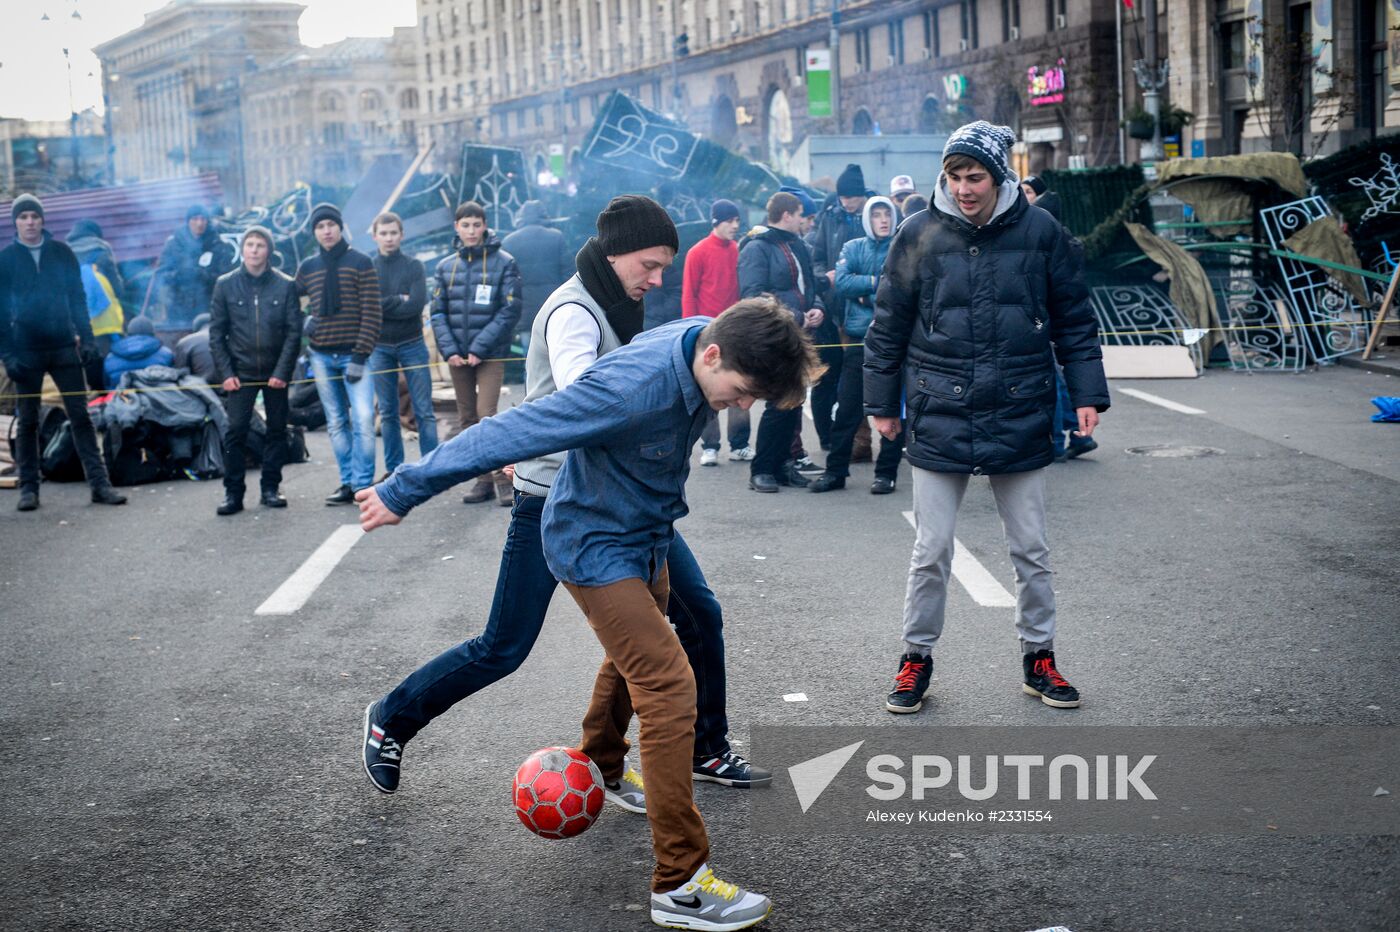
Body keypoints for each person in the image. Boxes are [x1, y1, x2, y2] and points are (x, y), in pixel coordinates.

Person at [358, 294, 822, 930]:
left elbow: (755, 327)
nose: (742, 406)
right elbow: (506, 431)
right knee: (665, 682)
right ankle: (680, 883)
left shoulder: (705, 338)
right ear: (712, 355)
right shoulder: (629, 389)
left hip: (647, 531)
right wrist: (401, 488)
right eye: (741, 391)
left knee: (643, 652)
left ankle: (601, 763)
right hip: (593, 543)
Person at [362, 194, 771, 804]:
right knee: (504, 647)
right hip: (555, 501)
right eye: (650, 266)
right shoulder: (575, 314)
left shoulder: (622, 304)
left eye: (665, 268)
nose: (657, 280)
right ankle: (391, 718)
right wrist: (416, 483)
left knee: (693, 617)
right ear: (613, 254)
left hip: (627, 505)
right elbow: (585, 402)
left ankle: (700, 746)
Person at [864, 121, 1110, 715]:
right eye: (955, 175)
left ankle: (1040, 658)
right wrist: (880, 403)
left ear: (1001, 175)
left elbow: (1073, 319)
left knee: (1031, 548)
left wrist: (1087, 394)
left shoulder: (1042, 231)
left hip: (1021, 405)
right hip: (936, 406)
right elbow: (888, 322)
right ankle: (915, 659)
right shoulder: (916, 233)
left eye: (976, 175)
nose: (965, 187)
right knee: (931, 550)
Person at [0, 194, 127, 511]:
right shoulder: (6, 260)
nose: (30, 222)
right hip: (26, 350)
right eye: (24, 216)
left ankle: (100, 485)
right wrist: (7, 355)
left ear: (43, 220)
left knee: (81, 417)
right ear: (16, 222)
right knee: (27, 421)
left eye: (34, 216)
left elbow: (78, 299)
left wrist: (87, 341)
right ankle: (29, 488)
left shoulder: (62, 253)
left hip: (62, 345)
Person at [810, 195, 905, 495]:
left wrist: (866, 292)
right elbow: (843, 282)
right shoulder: (853, 247)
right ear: (868, 219)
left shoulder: (902, 249)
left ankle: (886, 474)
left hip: (893, 342)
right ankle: (835, 471)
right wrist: (878, 285)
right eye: (877, 215)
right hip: (856, 340)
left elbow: (903, 290)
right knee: (848, 409)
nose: (883, 220)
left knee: (892, 411)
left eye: (887, 215)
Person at [430, 200, 521, 505]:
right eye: (465, 225)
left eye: (476, 224)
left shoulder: (504, 262)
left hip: (490, 354)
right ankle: (481, 479)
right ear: (457, 227)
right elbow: (437, 312)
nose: (471, 230)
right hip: (457, 355)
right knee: (467, 418)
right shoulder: (445, 267)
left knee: (487, 415)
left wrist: (480, 348)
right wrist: (450, 350)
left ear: (485, 225)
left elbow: (510, 309)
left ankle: (503, 480)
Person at [209, 226, 301, 515]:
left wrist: (282, 372)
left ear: (268, 251)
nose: (254, 250)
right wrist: (226, 373)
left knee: (276, 431)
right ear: (243, 249)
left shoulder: (285, 285)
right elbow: (216, 334)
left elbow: (293, 333)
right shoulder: (225, 285)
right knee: (235, 432)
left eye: (260, 245)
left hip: (275, 373)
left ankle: (271, 488)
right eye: (249, 244)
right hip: (240, 373)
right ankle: (233, 493)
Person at [295, 202, 383, 504]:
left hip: (354, 354)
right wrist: (301, 321)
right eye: (320, 226)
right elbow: (288, 303)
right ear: (315, 232)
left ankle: (362, 483)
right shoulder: (307, 268)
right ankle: (346, 482)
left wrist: (360, 355)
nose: (326, 230)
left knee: (361, 419)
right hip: (320, 354)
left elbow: (372, 311)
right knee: (335, 421)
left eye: (330, 224)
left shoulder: (360, 262)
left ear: (340, 226)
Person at [739, 191, 826, 493]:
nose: (804, 221)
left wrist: (817, 309)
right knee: (779, 403)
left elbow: (810, 286)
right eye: (801, 214)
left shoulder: (797, 244)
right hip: (777, 335)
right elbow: (753, 294)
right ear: (787, 215)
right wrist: (798, 317)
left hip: (800, 335)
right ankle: (761, 469)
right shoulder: (756, 247)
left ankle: (784, 466)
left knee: (794, 402)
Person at [368, 211, 437, 477]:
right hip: (380, 345)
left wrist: (387, 302)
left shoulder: (414, 266)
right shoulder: (369, 268)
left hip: (412, 343)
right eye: (383, 233)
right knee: (387, 412)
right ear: (375, 237)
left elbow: (417, 305)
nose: (388, 238)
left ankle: (432, 468)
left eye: (393, 233)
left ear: (401, 235)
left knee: (424, 410)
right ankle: (393, 470)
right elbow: (370, 307)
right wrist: (399, 299)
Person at [807, 162, 870, 453]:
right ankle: (844, 440)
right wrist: (825, 279)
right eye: (842, 197)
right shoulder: (830, 217)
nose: (845, 202)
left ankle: (863, 441)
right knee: (837, 377)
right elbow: (817, 257)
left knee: (860, 378)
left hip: (867, 309)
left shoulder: (874, 216)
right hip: (834, 309)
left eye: (851, 197)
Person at [683, 198, 751, 466]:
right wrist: (691, 330)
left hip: (736, 329)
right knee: (709, 389)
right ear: (717, 222)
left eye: (737, 221)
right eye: (730, 221)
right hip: (706, 330)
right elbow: (689, 294)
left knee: (740, 384)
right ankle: (710, 445)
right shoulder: (697, 252)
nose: (735, 225)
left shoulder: (739, 250)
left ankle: (740, 444)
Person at [501, 200, 572, 350]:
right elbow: (568, 276)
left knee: (530, 359)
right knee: (557, 356)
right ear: (543, 215)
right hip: (554, 309)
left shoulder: (509, 242)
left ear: (521, 217)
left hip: (525, 312)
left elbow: (507, 283)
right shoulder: (556, 237)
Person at [68, 219, 126, 390]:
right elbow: (118, 288)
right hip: (107, 325)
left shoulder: (64, 253)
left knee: (86, 368)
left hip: (78, 326)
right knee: (110, 365)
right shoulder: (102, 250)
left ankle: (93, 399)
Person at [155, 205, 233, 327]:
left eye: (203, 219)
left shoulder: (218, 244)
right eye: (195, 219)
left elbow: (226, 277)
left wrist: (202, 274)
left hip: (208, 306)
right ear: (188, 221)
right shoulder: (174, 244)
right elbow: (161, 274)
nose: (199, 223)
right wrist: (180, 275)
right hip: (179, 308)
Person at [103, 315, 174, 389]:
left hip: (121, 399)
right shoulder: (166, 354)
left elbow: (107, 386)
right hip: (158, 399)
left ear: (128, 334)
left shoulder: (110, 358)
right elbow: (173, 380)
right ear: (153, 333)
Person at [173, 313, 219, 386]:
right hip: (232, 389)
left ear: (196, 327)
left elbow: (179, 373)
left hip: (200, 390)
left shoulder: (185, 342)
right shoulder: (231, 339)